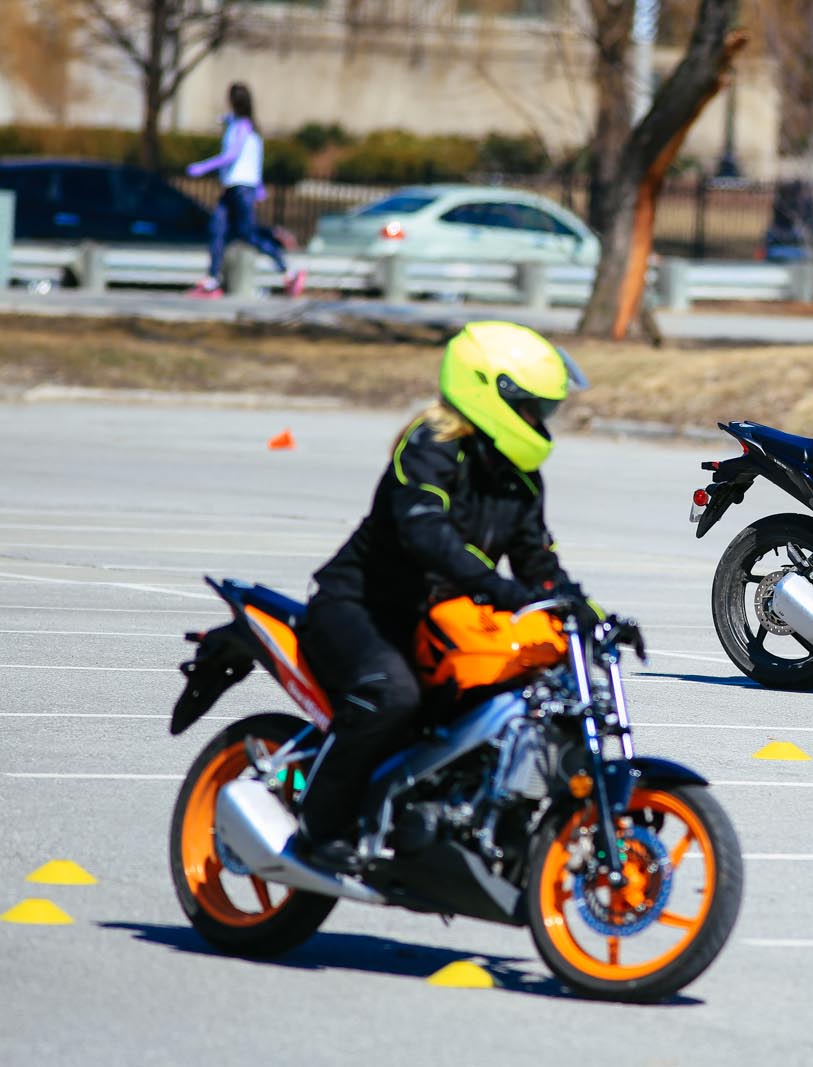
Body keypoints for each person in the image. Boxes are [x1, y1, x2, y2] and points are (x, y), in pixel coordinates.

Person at [295, 321, 588, 871]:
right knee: (393, 698)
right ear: (489, 393)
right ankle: (319, 828)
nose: (538, 421)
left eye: (544, 411)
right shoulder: (430, 447)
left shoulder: (519, 477)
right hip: (362, 607)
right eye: (531, 407)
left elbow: (538, 560)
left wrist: (586, 613)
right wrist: (497, 589)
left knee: (510, 699)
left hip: (440, 618)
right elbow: (426, 532)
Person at [184, 82, 305, 299]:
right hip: (233, 187)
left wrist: (203, 166)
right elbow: (253, 157)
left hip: (242, 188)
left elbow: (232, 155)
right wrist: (224, 119)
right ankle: (212, 280)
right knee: (216, 228)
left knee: (247, 234)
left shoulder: (244, 127)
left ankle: (289, 271)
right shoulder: (240, 124)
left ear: (234, 101)